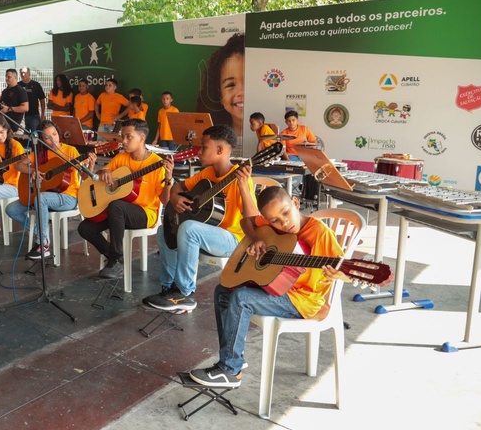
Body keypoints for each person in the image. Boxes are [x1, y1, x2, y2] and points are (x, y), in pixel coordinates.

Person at [188, 186, 345, 388]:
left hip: (303, 300)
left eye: (286, 213)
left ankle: (229, 369)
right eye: (274, 221)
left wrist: (340, 273)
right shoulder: (274, 224)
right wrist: (256, 238)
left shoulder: (320, 233)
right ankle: (234, 356)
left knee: (242, 298)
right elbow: (247, 221)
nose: (283, 223)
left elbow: (343, 269)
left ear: (296, 203)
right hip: (279, 288)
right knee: (222, 292)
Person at [143, 125, 257, 312]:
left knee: (189, 228)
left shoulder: (240, 178)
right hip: (209, 232)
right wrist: (175, 197)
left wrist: (244, 187)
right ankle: (168, 287)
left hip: (233, 238)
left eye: (204, 147)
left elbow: (253, 217)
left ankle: (185, 293)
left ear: (220, 150)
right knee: (164, 230)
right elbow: (179, 186)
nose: (199, 151)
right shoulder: (208, 174)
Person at [78, 119, 171, 279]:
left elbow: (164, 201)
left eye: (129, 137)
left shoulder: (156, 164)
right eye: (122, 136)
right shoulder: (122, 157)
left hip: (144, 213)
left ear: (142, 138)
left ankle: (114, 261)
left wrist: (169, 180)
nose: (124, 141)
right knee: (85, 228)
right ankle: (117, 256)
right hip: (118, 213)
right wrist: (104, 171)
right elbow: (105, 172)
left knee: (116, 206)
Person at [5, 120, 95, 260]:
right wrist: (33, 170)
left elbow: (84, 175)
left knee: (41, 198)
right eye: (47, 137)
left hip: (68, 197)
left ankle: (43, 244)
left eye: (54, 134)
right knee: (11, 209)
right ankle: (38, 231)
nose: (53, 138)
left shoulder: (70, 151)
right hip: (46, 196)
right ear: (41, 139)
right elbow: (19, 166)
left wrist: (91, 165)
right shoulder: (41, 153)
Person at [197, 33, 245, 148]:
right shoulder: (211, 137)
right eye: (230, 84)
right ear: (219, 94)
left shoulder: (269, 135)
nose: (241, 92)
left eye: (249, 82)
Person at [19, 66, 46, 132]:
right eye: (21, 73)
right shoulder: (18, 86)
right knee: (23, 137)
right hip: (21, 116)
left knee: (35, 136)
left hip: (34, 116)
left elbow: (42, 100)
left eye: (25, 73)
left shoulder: (36, 85)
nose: (23, 75)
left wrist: (42, 115)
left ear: (29, 73)